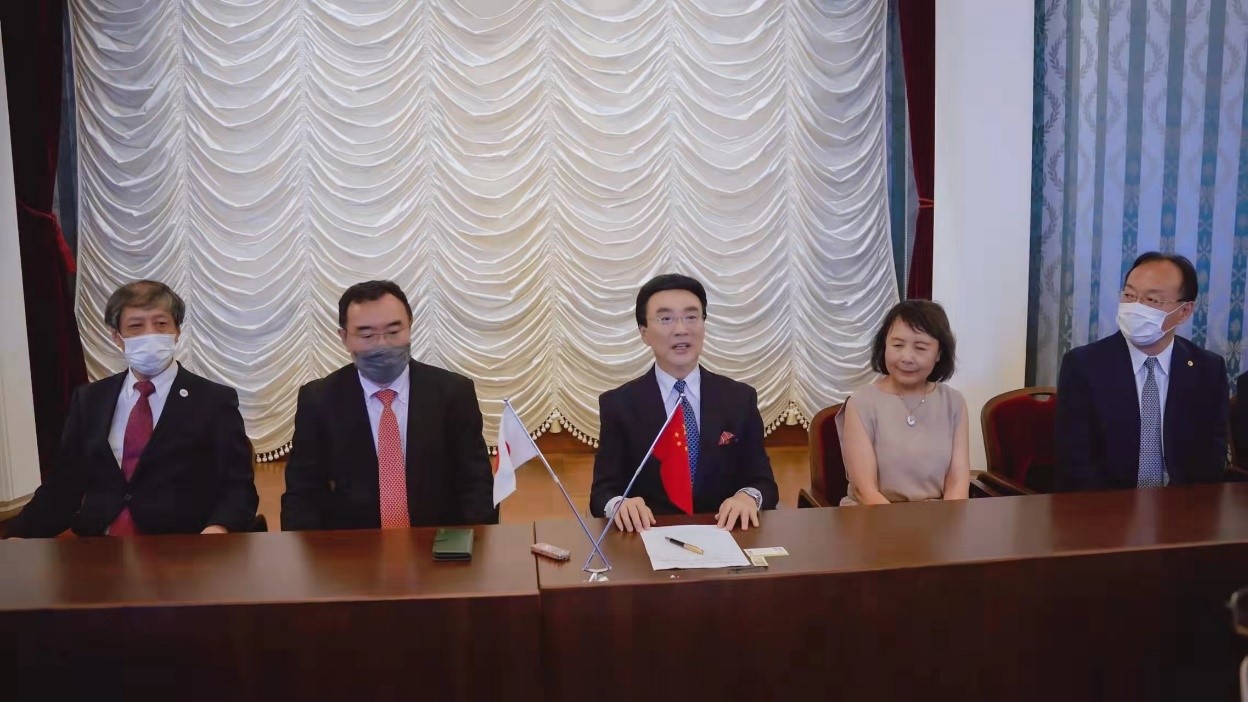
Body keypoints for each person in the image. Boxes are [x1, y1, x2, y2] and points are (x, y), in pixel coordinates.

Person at [4, 281, 258, 537]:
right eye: (136, 326)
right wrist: (14, 538)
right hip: (99, 547)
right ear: (117, 337)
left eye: (161, 324)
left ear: (177, 331)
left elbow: (238, 488)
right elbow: (63, 485)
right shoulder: (90, 399)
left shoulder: (213, 401)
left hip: (181, 547)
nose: (150, 334)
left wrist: (217, 530)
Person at [281, 280, 495, 530]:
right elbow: (302, 493)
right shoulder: (318, 399)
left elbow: (475, 483)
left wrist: (472, 544)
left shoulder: (453, 393)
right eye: (367, 335)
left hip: (436, 543)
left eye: (393, 332)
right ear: (344, 337)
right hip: (353, 546)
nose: (382, 344)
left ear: (409, 327)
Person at [589, 274, 779, 531]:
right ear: (644, 333)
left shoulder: (739, 399)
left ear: (703, 324)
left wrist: (748, 497)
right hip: (648, 536)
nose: (681, 329)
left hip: (724, 533)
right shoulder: (619, 405)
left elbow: (763, 482)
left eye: (691, 317)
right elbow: (602, 493)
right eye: (666, 319)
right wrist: (618, 504)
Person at [1055, 252, 1228, 491]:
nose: (1135, 307)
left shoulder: (1207, 369)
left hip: (1182, 505)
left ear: (1184, 311)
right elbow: (1075, 460)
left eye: (1152, 300)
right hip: (1105, 505)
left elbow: (1211, 457)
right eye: (1129, 295)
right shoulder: (1084, 365)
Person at [839, 299, 970, 505]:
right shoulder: (861, 403)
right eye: (898, 345)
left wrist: (947, 520)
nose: (907, 357)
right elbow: (865, 491)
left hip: (935, 516)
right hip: (873, 514)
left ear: (939, 354)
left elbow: (957, 482)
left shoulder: (954, 403)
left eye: (920, 348)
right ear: (885, 345)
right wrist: (904, 525)